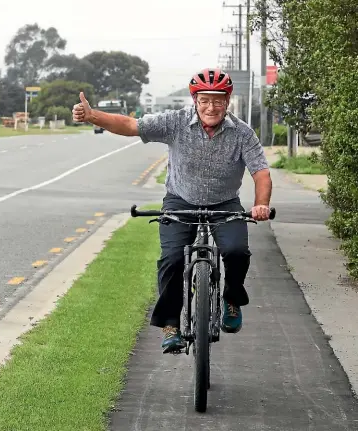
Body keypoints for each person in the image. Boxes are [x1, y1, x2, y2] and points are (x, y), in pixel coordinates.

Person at [72, 68, 272, 353]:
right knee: (172, 259)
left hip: (224, 203)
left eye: (218, 100)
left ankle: (231, 299)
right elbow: (131, 125)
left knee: (237, 251)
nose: (211, 107)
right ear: (195, 100)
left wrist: (261, 204)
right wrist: (93, 117)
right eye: (204, 100)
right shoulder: (175, 123)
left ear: (227, 101)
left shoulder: (242, 133)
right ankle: (171, 325)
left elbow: (261, 173)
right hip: (180, 200)